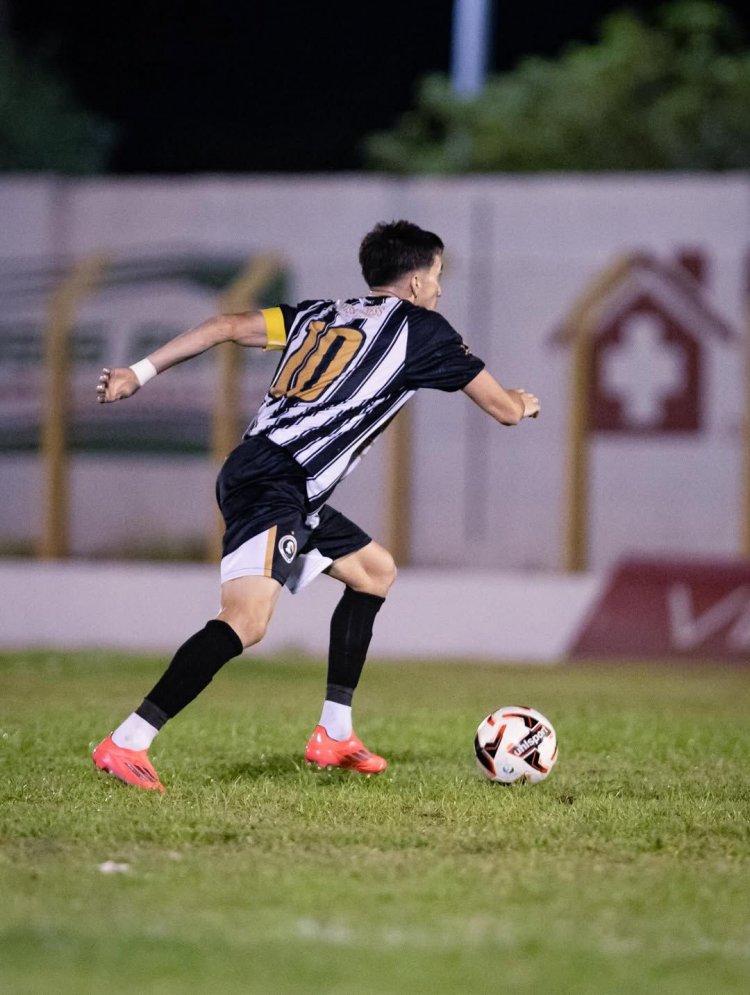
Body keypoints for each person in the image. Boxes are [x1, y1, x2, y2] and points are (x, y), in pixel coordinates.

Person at [92, 219, 540, 791]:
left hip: (280, 478)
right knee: (246, 622)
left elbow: (225, 325)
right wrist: (523, 405)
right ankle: (129, 741)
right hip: (277, 482)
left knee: (374, 572)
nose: (439, 289)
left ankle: (334, 734)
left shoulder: (319, 312)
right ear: (412, 282)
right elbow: (501, 409)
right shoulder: (421, 329)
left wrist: (139, 371)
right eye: (436, 276)